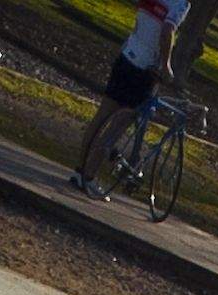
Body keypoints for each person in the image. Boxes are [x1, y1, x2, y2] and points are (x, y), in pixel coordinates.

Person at [70, 0, 190, 198]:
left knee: (102, 117)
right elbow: (167, 31)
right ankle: (89, 176)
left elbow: (141, 21)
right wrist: (165, 65)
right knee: (117, 126)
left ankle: (80, 170)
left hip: (127, 56)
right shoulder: (181, 4)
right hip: (145, 70)